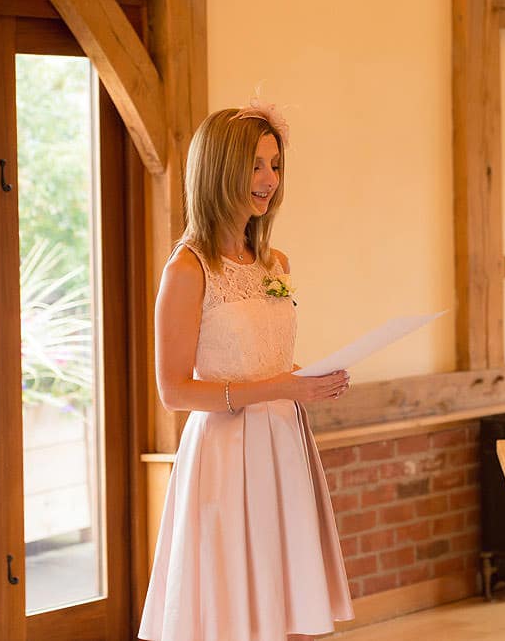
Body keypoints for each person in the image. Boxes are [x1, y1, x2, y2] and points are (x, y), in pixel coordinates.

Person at [136, 103, 355, 641]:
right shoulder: (188, 269)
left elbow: (268, 357)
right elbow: (173, 389)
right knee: (233, 614)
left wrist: (311, 379)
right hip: (226, 456)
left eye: (275, 165)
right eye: (256, 166)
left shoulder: (274, 263)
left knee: (287, 606)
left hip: (284, 445)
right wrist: (282, 386)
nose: (268, 181)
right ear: (220, 171)